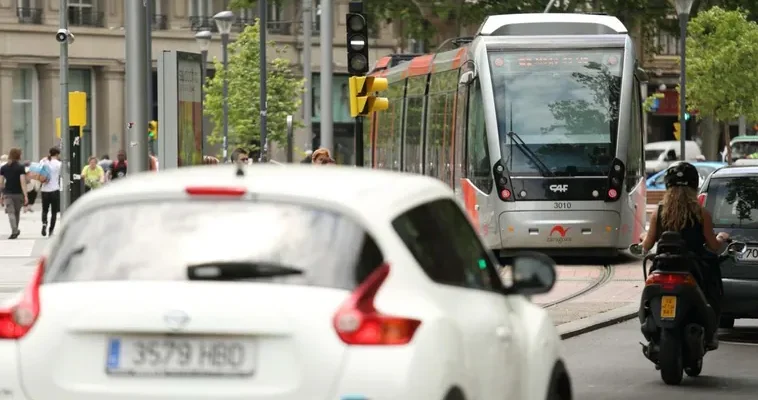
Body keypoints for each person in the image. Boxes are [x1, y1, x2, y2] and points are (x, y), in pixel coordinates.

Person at [641, 162, 729, 349]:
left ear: (667, 186)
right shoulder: (701, 213)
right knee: (713, 290)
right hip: (693, 267)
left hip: (663, 267)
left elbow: (647, 245)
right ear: (694, 185)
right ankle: (712, 331)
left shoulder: (659, 212)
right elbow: (713, 246)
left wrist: (643, 239)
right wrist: (721, 238)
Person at [0, 148, 29, 239]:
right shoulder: (20, 167)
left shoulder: (3, 168)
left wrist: (1, 195)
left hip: (7, 193)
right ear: (18, 155)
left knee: (10, 213)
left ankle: (14, 230)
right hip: (18, 194)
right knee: (16, 213)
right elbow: (23, 182)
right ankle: (15, 230)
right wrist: (25, 195)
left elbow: (1, 183)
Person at [40, 147, 61, 237]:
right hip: (54, 190)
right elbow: (61, 175)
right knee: (54, 212)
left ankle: (44, 223)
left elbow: (38, 172)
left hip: (44, 190)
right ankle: (51, 230)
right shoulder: (59, 164)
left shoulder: (43, 161)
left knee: (45, 210)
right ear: (57, 154)